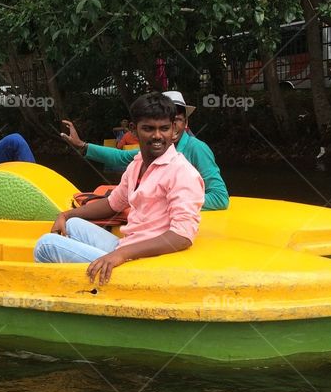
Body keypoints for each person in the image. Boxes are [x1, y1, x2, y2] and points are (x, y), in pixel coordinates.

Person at [34, 93, 205, 285]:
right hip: (128, 246)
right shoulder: (137, 163)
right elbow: (112, 203)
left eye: (164, 128)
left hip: (144, 260)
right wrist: (65, 215)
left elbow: (182, 236)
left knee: (46, 245)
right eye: (148, 129)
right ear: (133, 130)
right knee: (72, 225)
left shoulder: (182, 172)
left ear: (173, 129)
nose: (157, 136)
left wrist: (122, 254)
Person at [60, 90, 229, 210]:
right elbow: (121, 157)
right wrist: (83, 146)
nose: (173, 126)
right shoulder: (157, 149)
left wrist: (170, 201)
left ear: (186, 124)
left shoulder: (197, 148)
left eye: (177, 120)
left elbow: (220, 198)